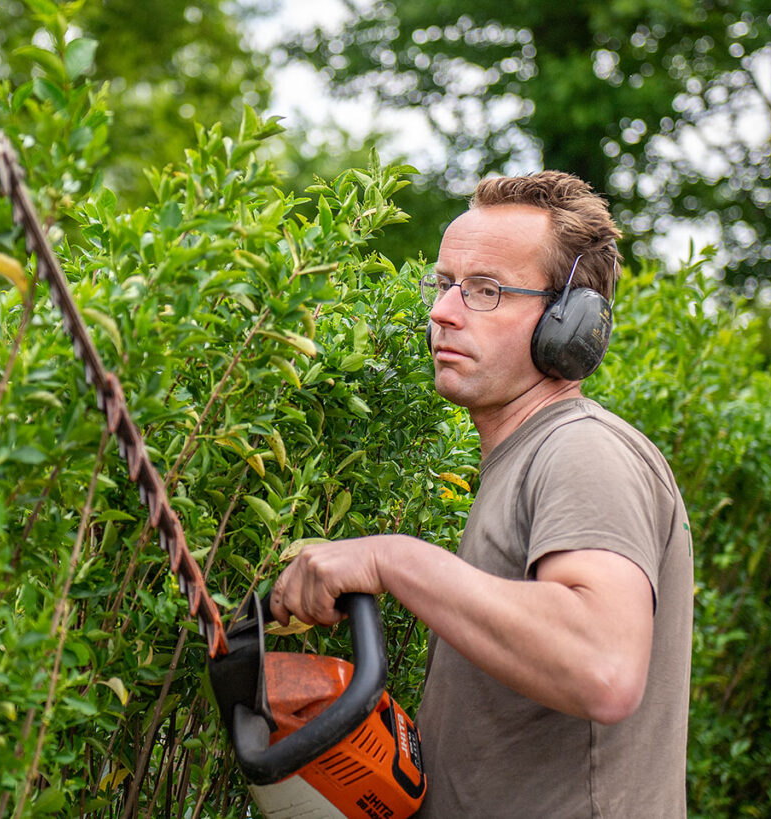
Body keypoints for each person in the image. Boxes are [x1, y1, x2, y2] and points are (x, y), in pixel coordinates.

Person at [269, 171, 693, 818]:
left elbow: (603, 665)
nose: (442, 312)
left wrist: (393, 559)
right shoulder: (522, 461)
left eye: (486, 290)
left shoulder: (581, 450)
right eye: (443, 285)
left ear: (568, 322)